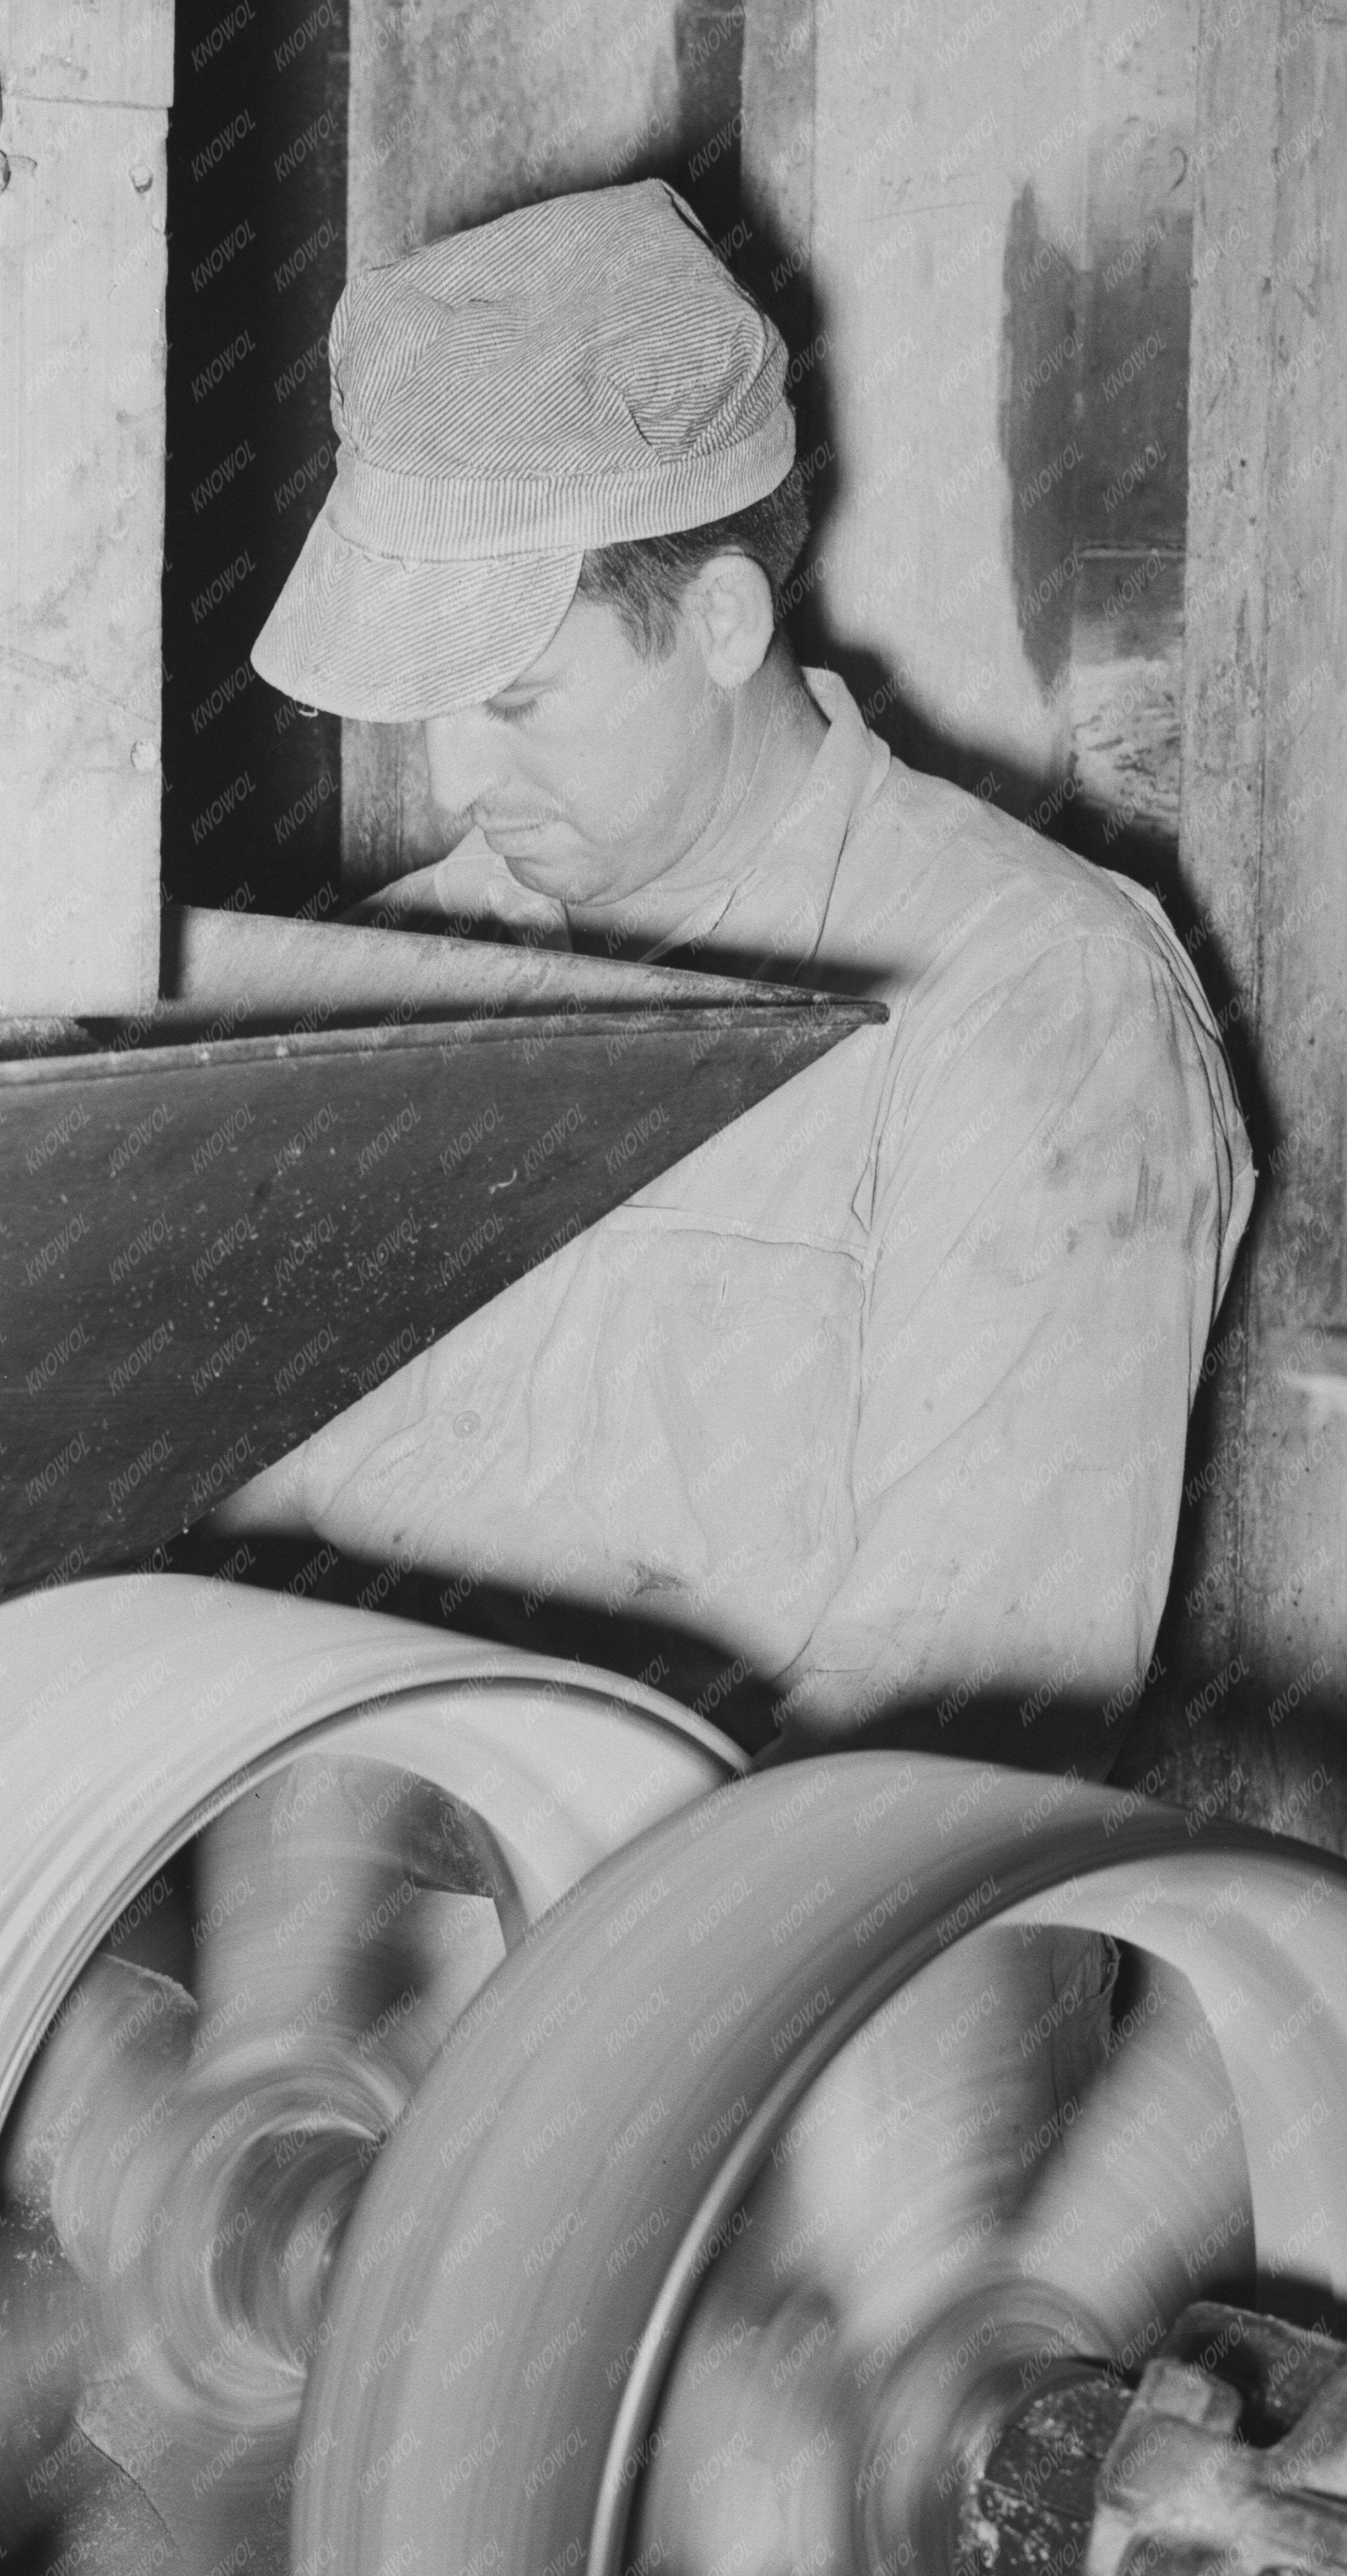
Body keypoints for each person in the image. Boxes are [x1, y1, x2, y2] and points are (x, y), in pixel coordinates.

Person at [216, 180, 1253, 1776]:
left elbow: (956, 1732)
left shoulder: (1028, 1002)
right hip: (337, 1930)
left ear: (713, 619)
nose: (449, 779)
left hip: (755, 1973)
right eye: (422, 708)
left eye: (516, 700)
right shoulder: (384, 972)